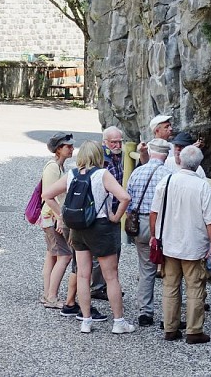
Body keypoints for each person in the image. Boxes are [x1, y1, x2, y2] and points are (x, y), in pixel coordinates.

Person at [43, 141, 135, 335]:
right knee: (111, 276)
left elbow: (47, 195)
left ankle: (86, 320)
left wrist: (61, 215)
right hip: (100, 227)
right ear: (98, 156)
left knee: (83, 275)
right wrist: (116, 217)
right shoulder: (102, 174)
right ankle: (119, 322)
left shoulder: (72, 175)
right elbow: (125, 197)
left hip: (78, 228)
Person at [150, 146, 211, 344]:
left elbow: (154, 212)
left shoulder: (166, 181)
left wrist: (155, 236)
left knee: (170, 286)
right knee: (195, 288)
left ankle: (170, 328)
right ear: (198, 165)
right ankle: (194, 330)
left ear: (180, 161)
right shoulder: (202, 187)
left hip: (169, 244)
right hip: (194, 245)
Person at [125, 138, 172, 327]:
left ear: (151, 152)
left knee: (146, 269)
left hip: (140, 224)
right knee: (170, 269)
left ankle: (146, 312)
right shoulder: (169, 175)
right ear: (166, 155)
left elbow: (128, 197)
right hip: (163, 225)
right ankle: (170, 314)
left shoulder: (137, 172)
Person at [39, 132, 75, 309]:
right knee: (65, 255)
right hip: (52, 217)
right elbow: (49, 196)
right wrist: (59, 217)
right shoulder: (53, 168)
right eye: (68, 146)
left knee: (52, 256)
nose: (72, 149)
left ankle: (47, 294)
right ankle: (51, 296)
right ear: (59, 149)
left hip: (49, 217)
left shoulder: (58, 166)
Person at [90, 126, 125, 299]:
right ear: (105, 142)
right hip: (105, 212)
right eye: (114, 142)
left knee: (114, 249)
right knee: (102, 252)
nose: (118, 144)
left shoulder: (118, 156)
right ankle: (97, 286)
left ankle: (106, 284)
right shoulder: (102, 160)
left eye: (120, 141)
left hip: (115, 209)